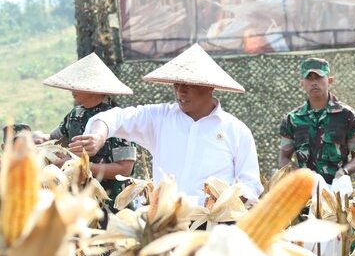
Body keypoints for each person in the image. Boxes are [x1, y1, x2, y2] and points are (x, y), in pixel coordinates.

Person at [73, 44, 263, 205]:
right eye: (176, 86)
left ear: (209, 86)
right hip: (166, 222)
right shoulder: (159, 118)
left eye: (188, 85)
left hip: (215, 228)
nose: (180, 92)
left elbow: (250, 185)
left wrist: (225, 202)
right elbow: (115, 117)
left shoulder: (236, 131)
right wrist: (98, 136)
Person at [42, 53, 138, 217]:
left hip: (113, 205)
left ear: (95, 89)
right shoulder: (75, 115)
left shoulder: (119, 119)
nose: (72, 89)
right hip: (79, 204)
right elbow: (53, 140)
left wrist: (82, 168)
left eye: (78, 85)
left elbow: (124, 169)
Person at [278, 58, 355, 184]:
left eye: (319, 77)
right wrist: (300, 176)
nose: (314, 83)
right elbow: (283, 158)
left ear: (329, 80)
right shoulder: (292, 119)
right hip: (304, 194)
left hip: (337, 193)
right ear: (302, 83)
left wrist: (343, 172)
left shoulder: (348, 116)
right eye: (309, 78)